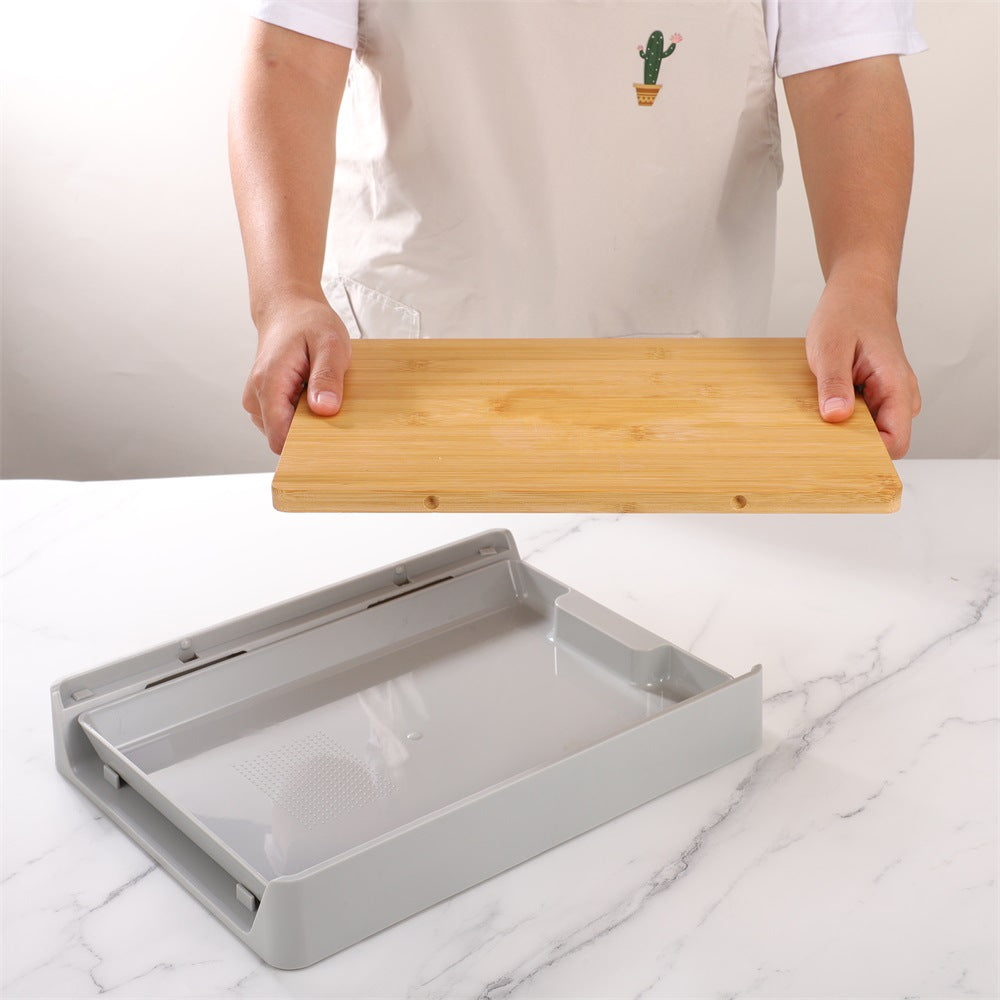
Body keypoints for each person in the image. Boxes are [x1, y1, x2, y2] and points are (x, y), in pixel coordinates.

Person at [230, 0, 924, 458]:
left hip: (687, 366)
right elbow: (288, 62)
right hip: (410, 358)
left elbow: (846, 74)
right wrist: (285, 295)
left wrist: (865, 280)